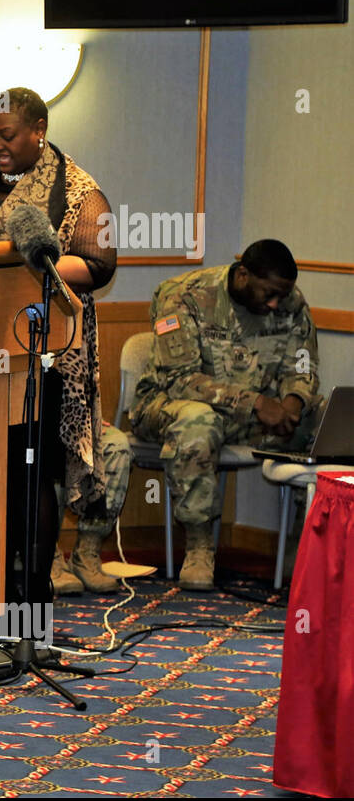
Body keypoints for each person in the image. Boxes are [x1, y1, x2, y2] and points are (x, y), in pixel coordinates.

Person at [0, 87, 130, 598]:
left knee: (29, 470)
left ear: (38, 131)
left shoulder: (77, 189)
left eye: (7, 135)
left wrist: (6, 258)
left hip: (42, 355)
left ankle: (30, 595)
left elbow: (97, 264)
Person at [129, 239, 321, 590]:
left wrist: (294, 400)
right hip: (166, 407)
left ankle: (305, 538)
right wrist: (258, 404)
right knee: (200, 421)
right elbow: (180, 379)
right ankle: (200, 545)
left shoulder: (290, 303)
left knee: (323, 416)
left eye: (282, 294)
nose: (276, 303)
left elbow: (303, 364)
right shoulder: (182, 295)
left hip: (246, 418)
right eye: (269, 293)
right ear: (243, 275)